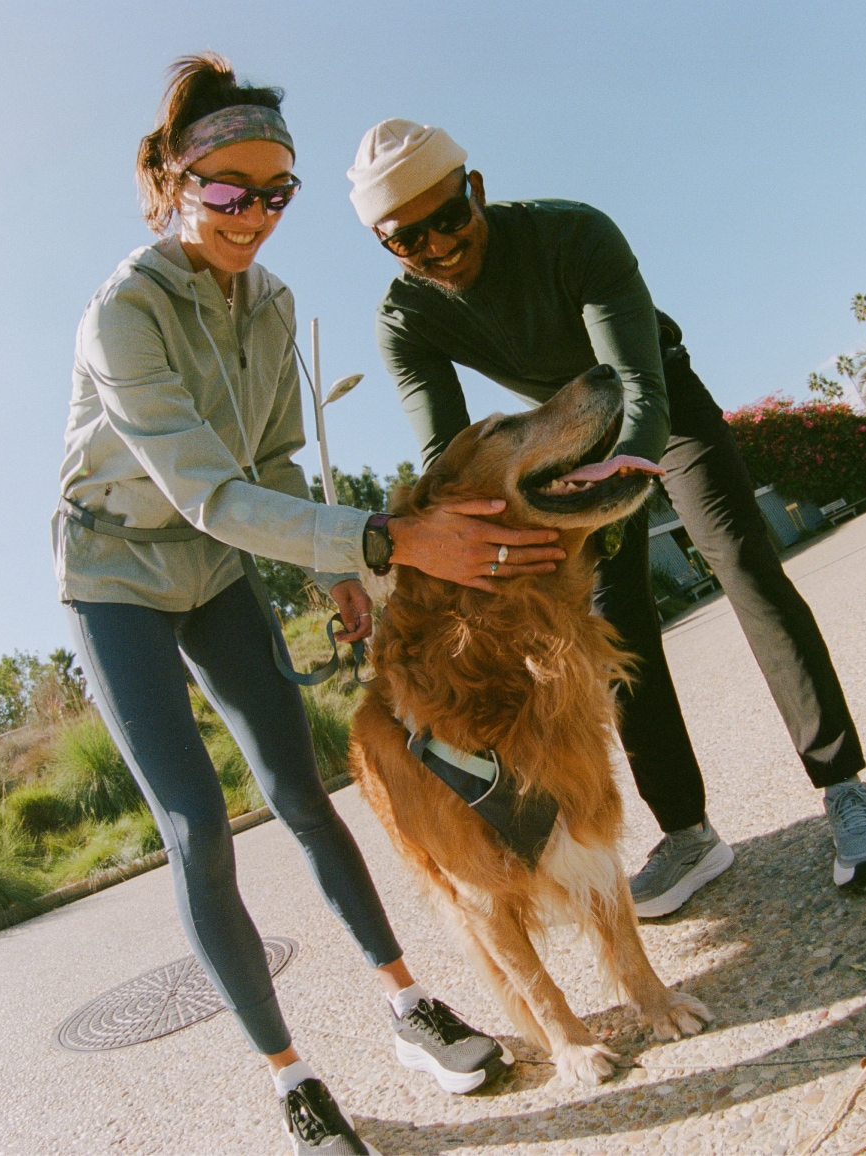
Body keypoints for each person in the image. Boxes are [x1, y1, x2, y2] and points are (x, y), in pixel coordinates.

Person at [54, 61, 567, 1155]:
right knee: (196, 825)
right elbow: (204, 487)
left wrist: (333, 565)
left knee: (303, 785)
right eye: (230, 190)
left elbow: (275, 460)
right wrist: (382, 539)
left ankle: (407, 1005)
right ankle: (290, 1077)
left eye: (276, 193)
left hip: (220, 563)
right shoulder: (122, 317)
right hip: (116, 575)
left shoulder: (275, 305)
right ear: (171, 179)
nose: (254, 216)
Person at [345, 120, 866, 916]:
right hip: (563, 441)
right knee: (614, 621)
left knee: (742, 566)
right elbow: (454, 461)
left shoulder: (572, 232)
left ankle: (844, 785)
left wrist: (618, 471)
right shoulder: (405, 319)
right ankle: (686, 831)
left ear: (474, 190)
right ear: (385, 243)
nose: (436, 246)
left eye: (447, 219)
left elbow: (634, 385)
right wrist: (479, 534)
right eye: (407, 240)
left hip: (656, 408)